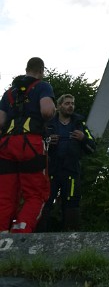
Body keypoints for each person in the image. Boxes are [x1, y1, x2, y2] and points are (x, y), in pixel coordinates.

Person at [0, 57, 55, 233]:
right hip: (30, 144)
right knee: (35, 195)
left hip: (6, 144)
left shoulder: (9, 92)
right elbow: (46, 111)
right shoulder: (42, 86)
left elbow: (0, 121)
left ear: (26, 68)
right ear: (41, 70)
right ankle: (20, 233)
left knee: (5, 196)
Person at [39, 93, 96, 231]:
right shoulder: (47, 124)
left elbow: (92, 147)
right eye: (67, 103)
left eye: (72, 103)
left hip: (71, 171)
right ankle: (38, 235)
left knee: (71, 204)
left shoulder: (80, 124)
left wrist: (83, 138)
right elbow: (36, 144)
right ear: (59, 106)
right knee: (45, 202)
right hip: (51, 170)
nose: (70, 106)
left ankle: (71, 238)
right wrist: (47, 141)